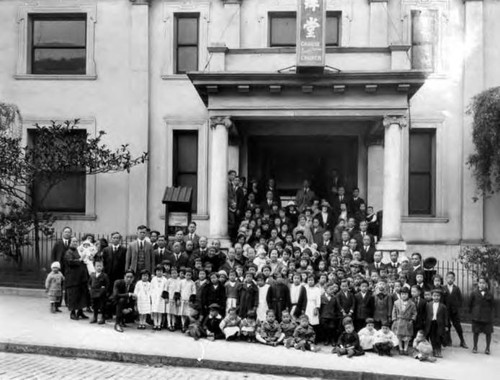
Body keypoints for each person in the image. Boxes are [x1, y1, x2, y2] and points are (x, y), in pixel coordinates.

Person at [64, 237, 89, 321]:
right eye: (73, 241)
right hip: (73, 278)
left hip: (81, 276)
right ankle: (73, 312)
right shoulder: (68, 252)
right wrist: (80, 259)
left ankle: (80, 311)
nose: (75, 243)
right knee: (73, 295)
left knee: (81, 295)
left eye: (76, 241)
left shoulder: (78, 251)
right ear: (70, 243)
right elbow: (70, 262)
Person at [469, 277, 495, 355]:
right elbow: (470, 304)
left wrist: (491, 315)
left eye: (483, 283)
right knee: (476, 332)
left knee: (488, 333)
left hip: (487, 317)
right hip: (477, 316)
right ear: (478, 284)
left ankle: (487, 348)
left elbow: (492, 305)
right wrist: (473, 313)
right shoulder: (474, 293)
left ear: (486, 284)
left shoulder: (490, 294)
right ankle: (475, 347)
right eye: (480, 283)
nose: (481, 284)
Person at [443, 271, 468, 348]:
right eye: (448, 278)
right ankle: (448, 341)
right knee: (447, 325)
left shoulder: (456, 288)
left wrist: (457, 308)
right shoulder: (443, 288)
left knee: (457, 326)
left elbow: (460, 300)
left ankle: (462, 341)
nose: (450, 279)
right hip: (446, 310)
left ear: (454, 279)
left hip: (454, 311)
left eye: (452, 278)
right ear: (446, 279)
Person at [391, 287, 417, 355]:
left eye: (405, 294)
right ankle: (400, 348)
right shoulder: (396, 302)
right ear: (400, 294)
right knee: (399, 335)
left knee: (407, 336)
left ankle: (405, 349)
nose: (404, 295)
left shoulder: (412, 303)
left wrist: (412, 320)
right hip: (398, 321)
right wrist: (394, 319)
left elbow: (414, 313)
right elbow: (394, 312)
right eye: (402, 294)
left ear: (408, 295)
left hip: (407, 321)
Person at [425, 288, 447, 358]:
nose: (436, 297)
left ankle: (439, 350)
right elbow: (426, 314)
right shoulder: (428, 305)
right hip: (431, 323)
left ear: (440, 297)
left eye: (438, 296)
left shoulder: (443, 306)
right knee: (432, 337)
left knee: (439, 337)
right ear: (432, 296)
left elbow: (446, 317)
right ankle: (434, 350)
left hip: (439, 324)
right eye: (434, 296)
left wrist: (446, 325)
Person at [150, 265, 167, 330]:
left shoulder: (165, 280)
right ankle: (155, 324)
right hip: (154, 297)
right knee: (155, 311)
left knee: (160, 312)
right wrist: (151, 296)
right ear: (155, 272)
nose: (159, 272)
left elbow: (165, 289)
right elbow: (151, 288)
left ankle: (159, 324)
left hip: (161, 297)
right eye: (158, 271)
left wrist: (165, 297)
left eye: (161, 271)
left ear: (163, 272)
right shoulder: (153, 279)